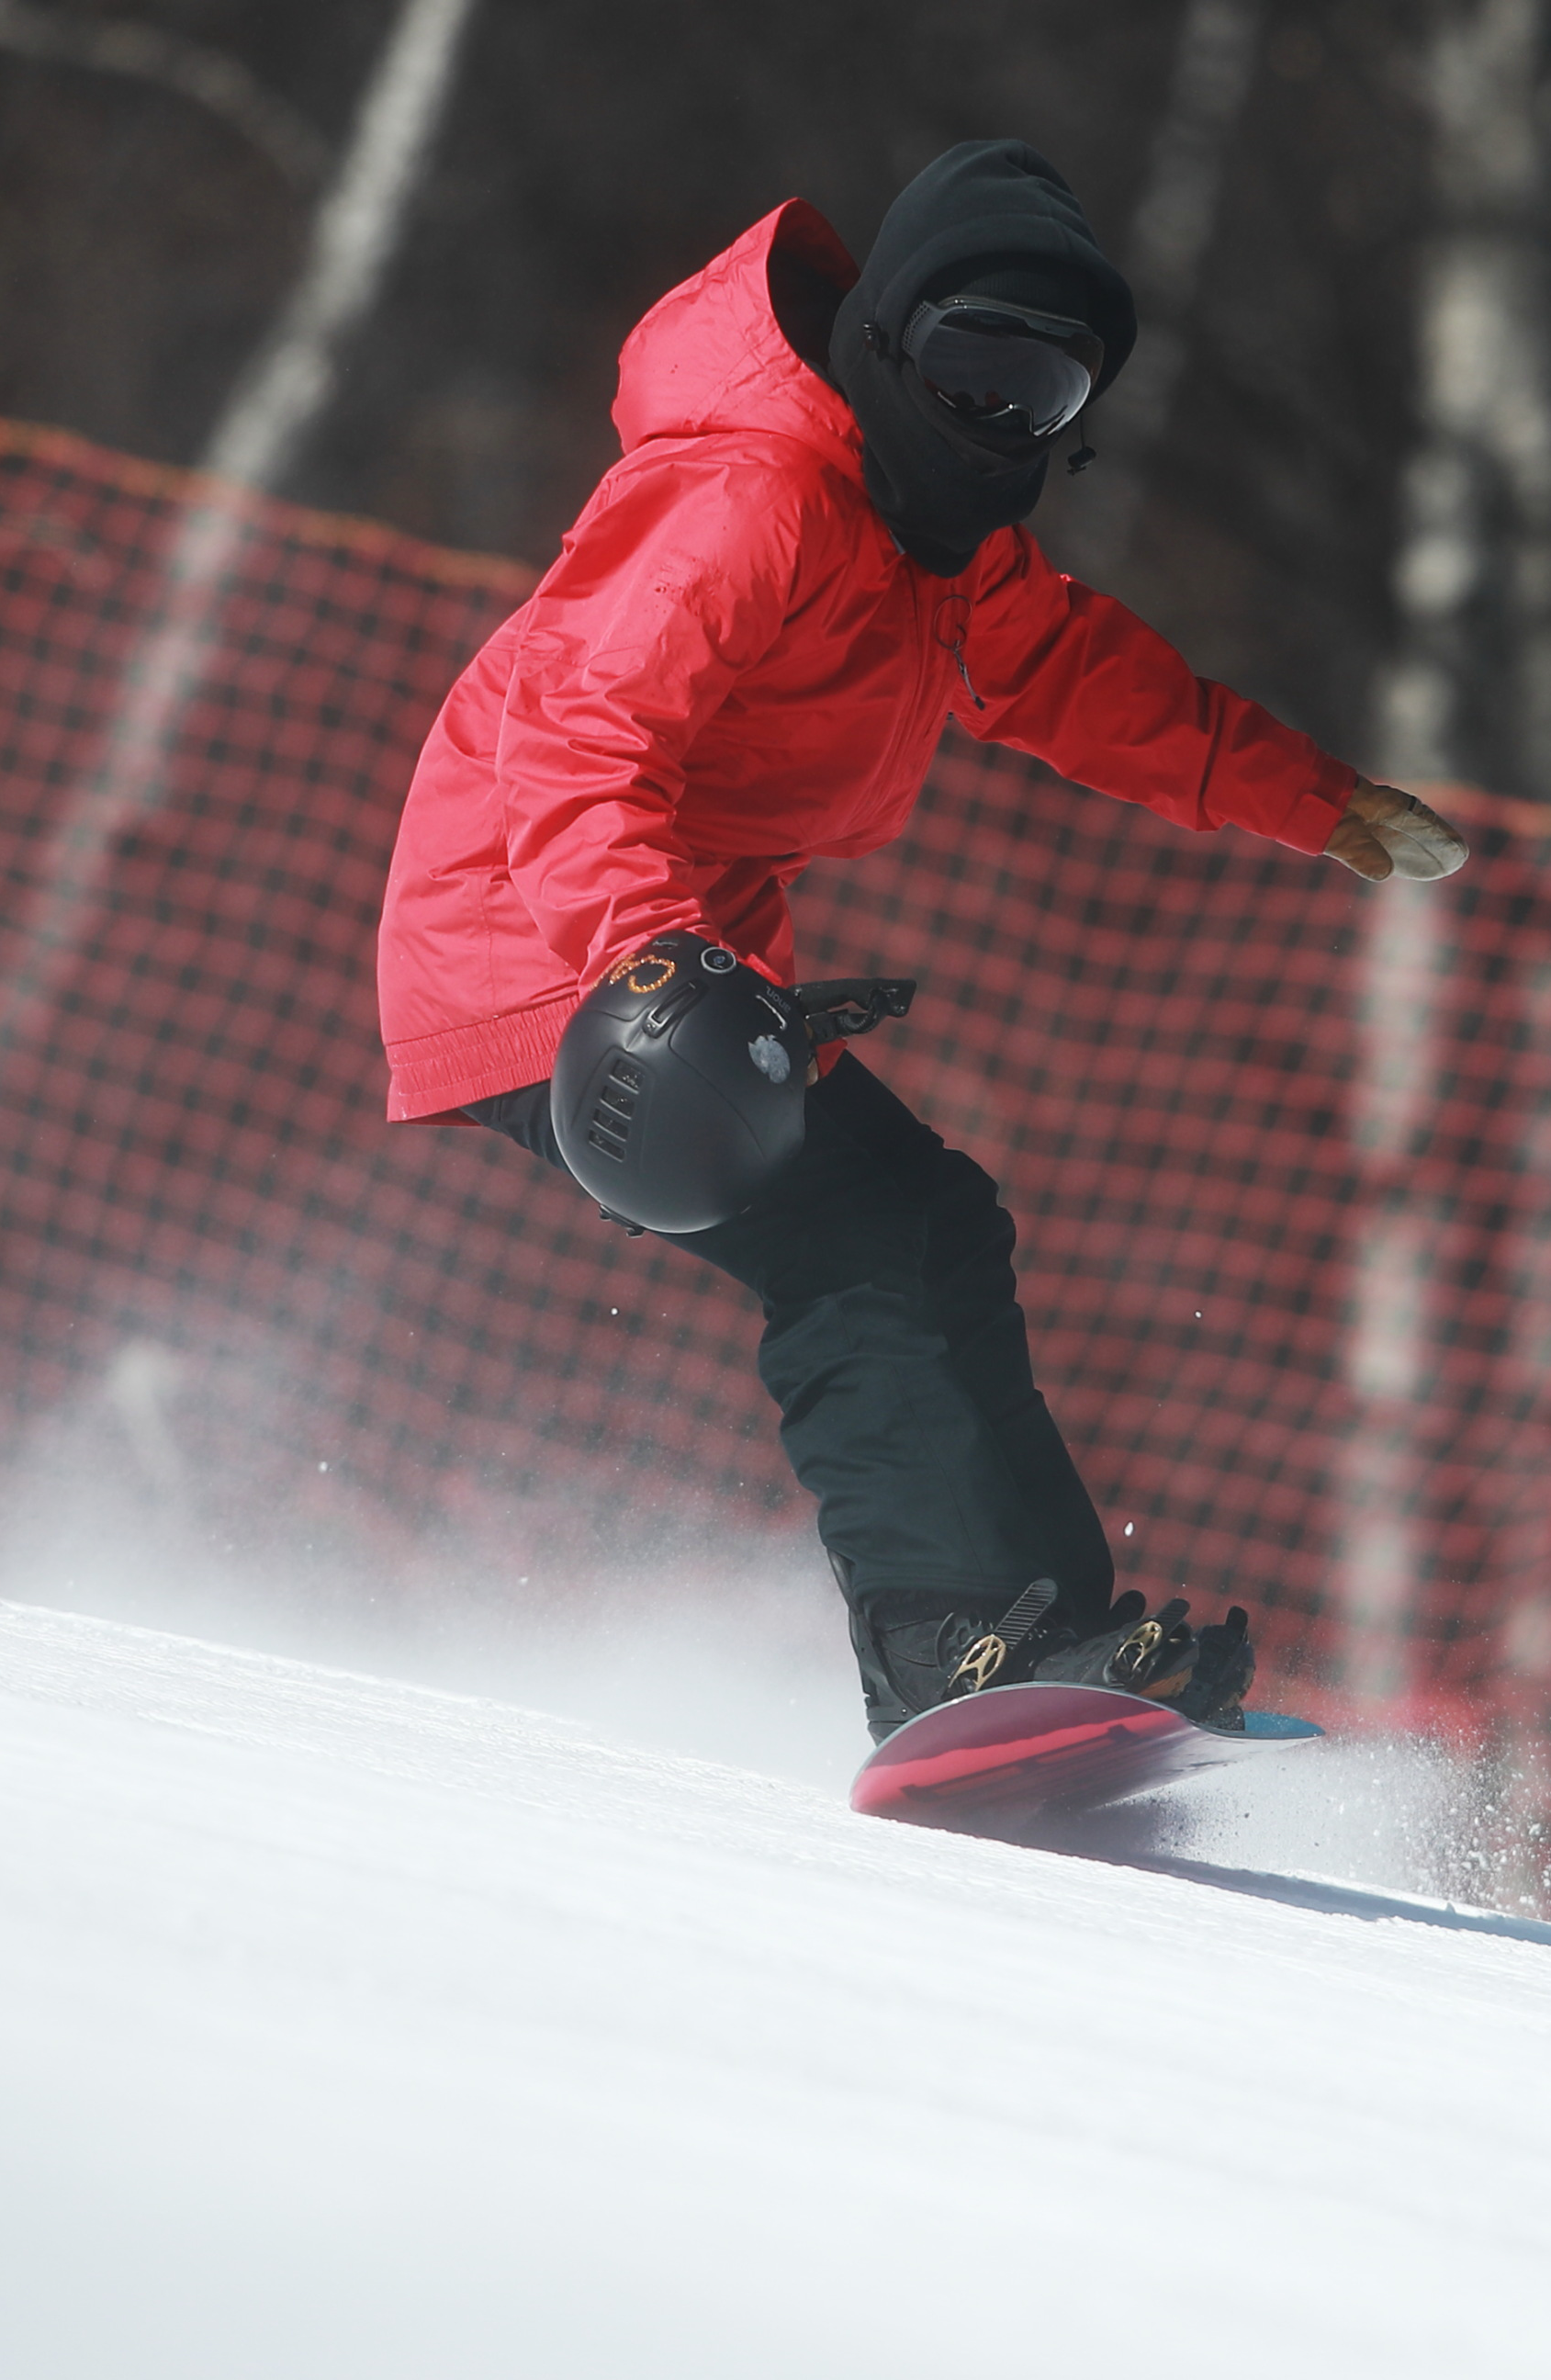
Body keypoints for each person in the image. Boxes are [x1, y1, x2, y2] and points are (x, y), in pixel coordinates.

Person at [376, 141, 1465, 1742]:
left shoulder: (930, 535)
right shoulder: (748, 493)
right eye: (972, 367)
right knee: (857, 1238)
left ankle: (1058, 1646)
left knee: (935, 1221)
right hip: (546, 933)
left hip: (668, 947)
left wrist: (1310, 799)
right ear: (887, 338)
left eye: (1045, 393)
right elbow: (578, 735)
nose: (997, 419)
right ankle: (949, 1648)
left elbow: (1070, 673)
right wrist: (649, 957)